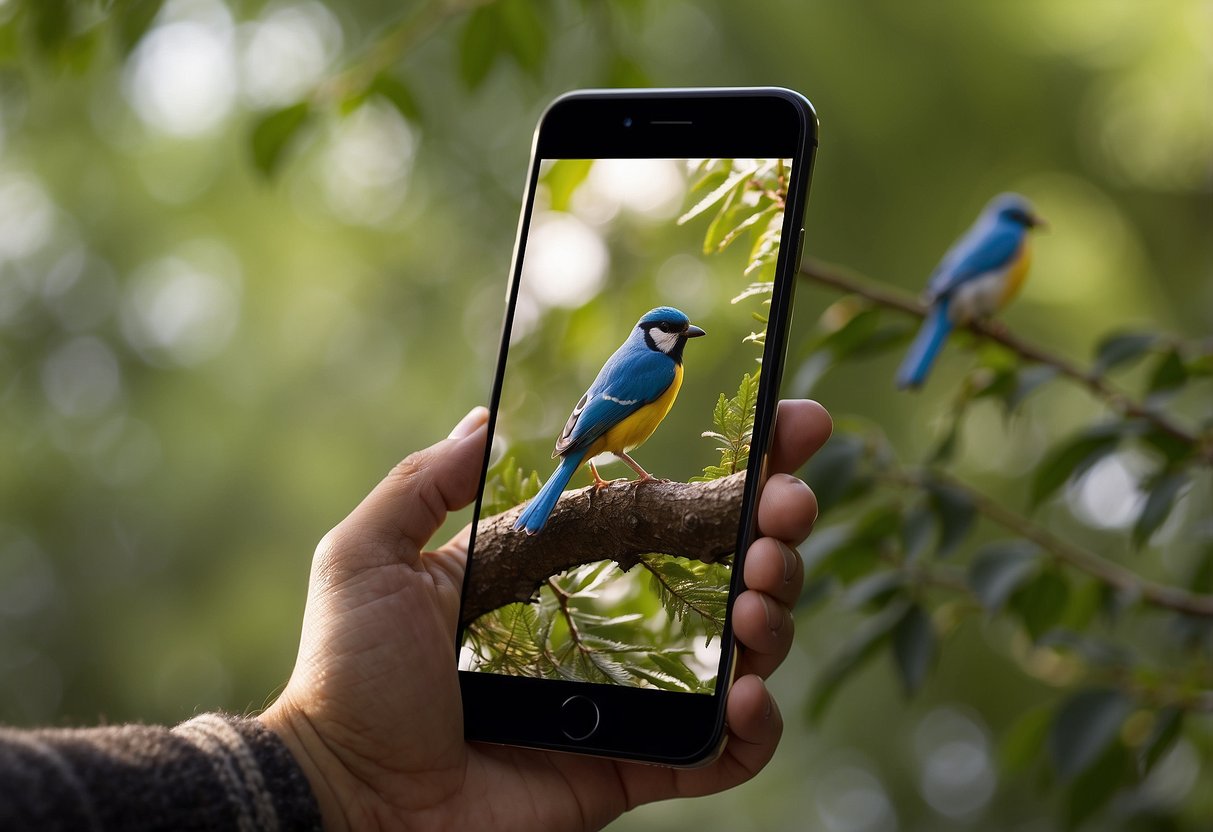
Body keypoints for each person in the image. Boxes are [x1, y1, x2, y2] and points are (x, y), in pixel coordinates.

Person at [0, 400, 832, 831]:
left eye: (680, 334)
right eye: (669, 332)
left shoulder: (645, 362)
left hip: (594, 456)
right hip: (603, 454)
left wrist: (327, 778)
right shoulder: (652, 372)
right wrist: (329, 774)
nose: (676, 343)